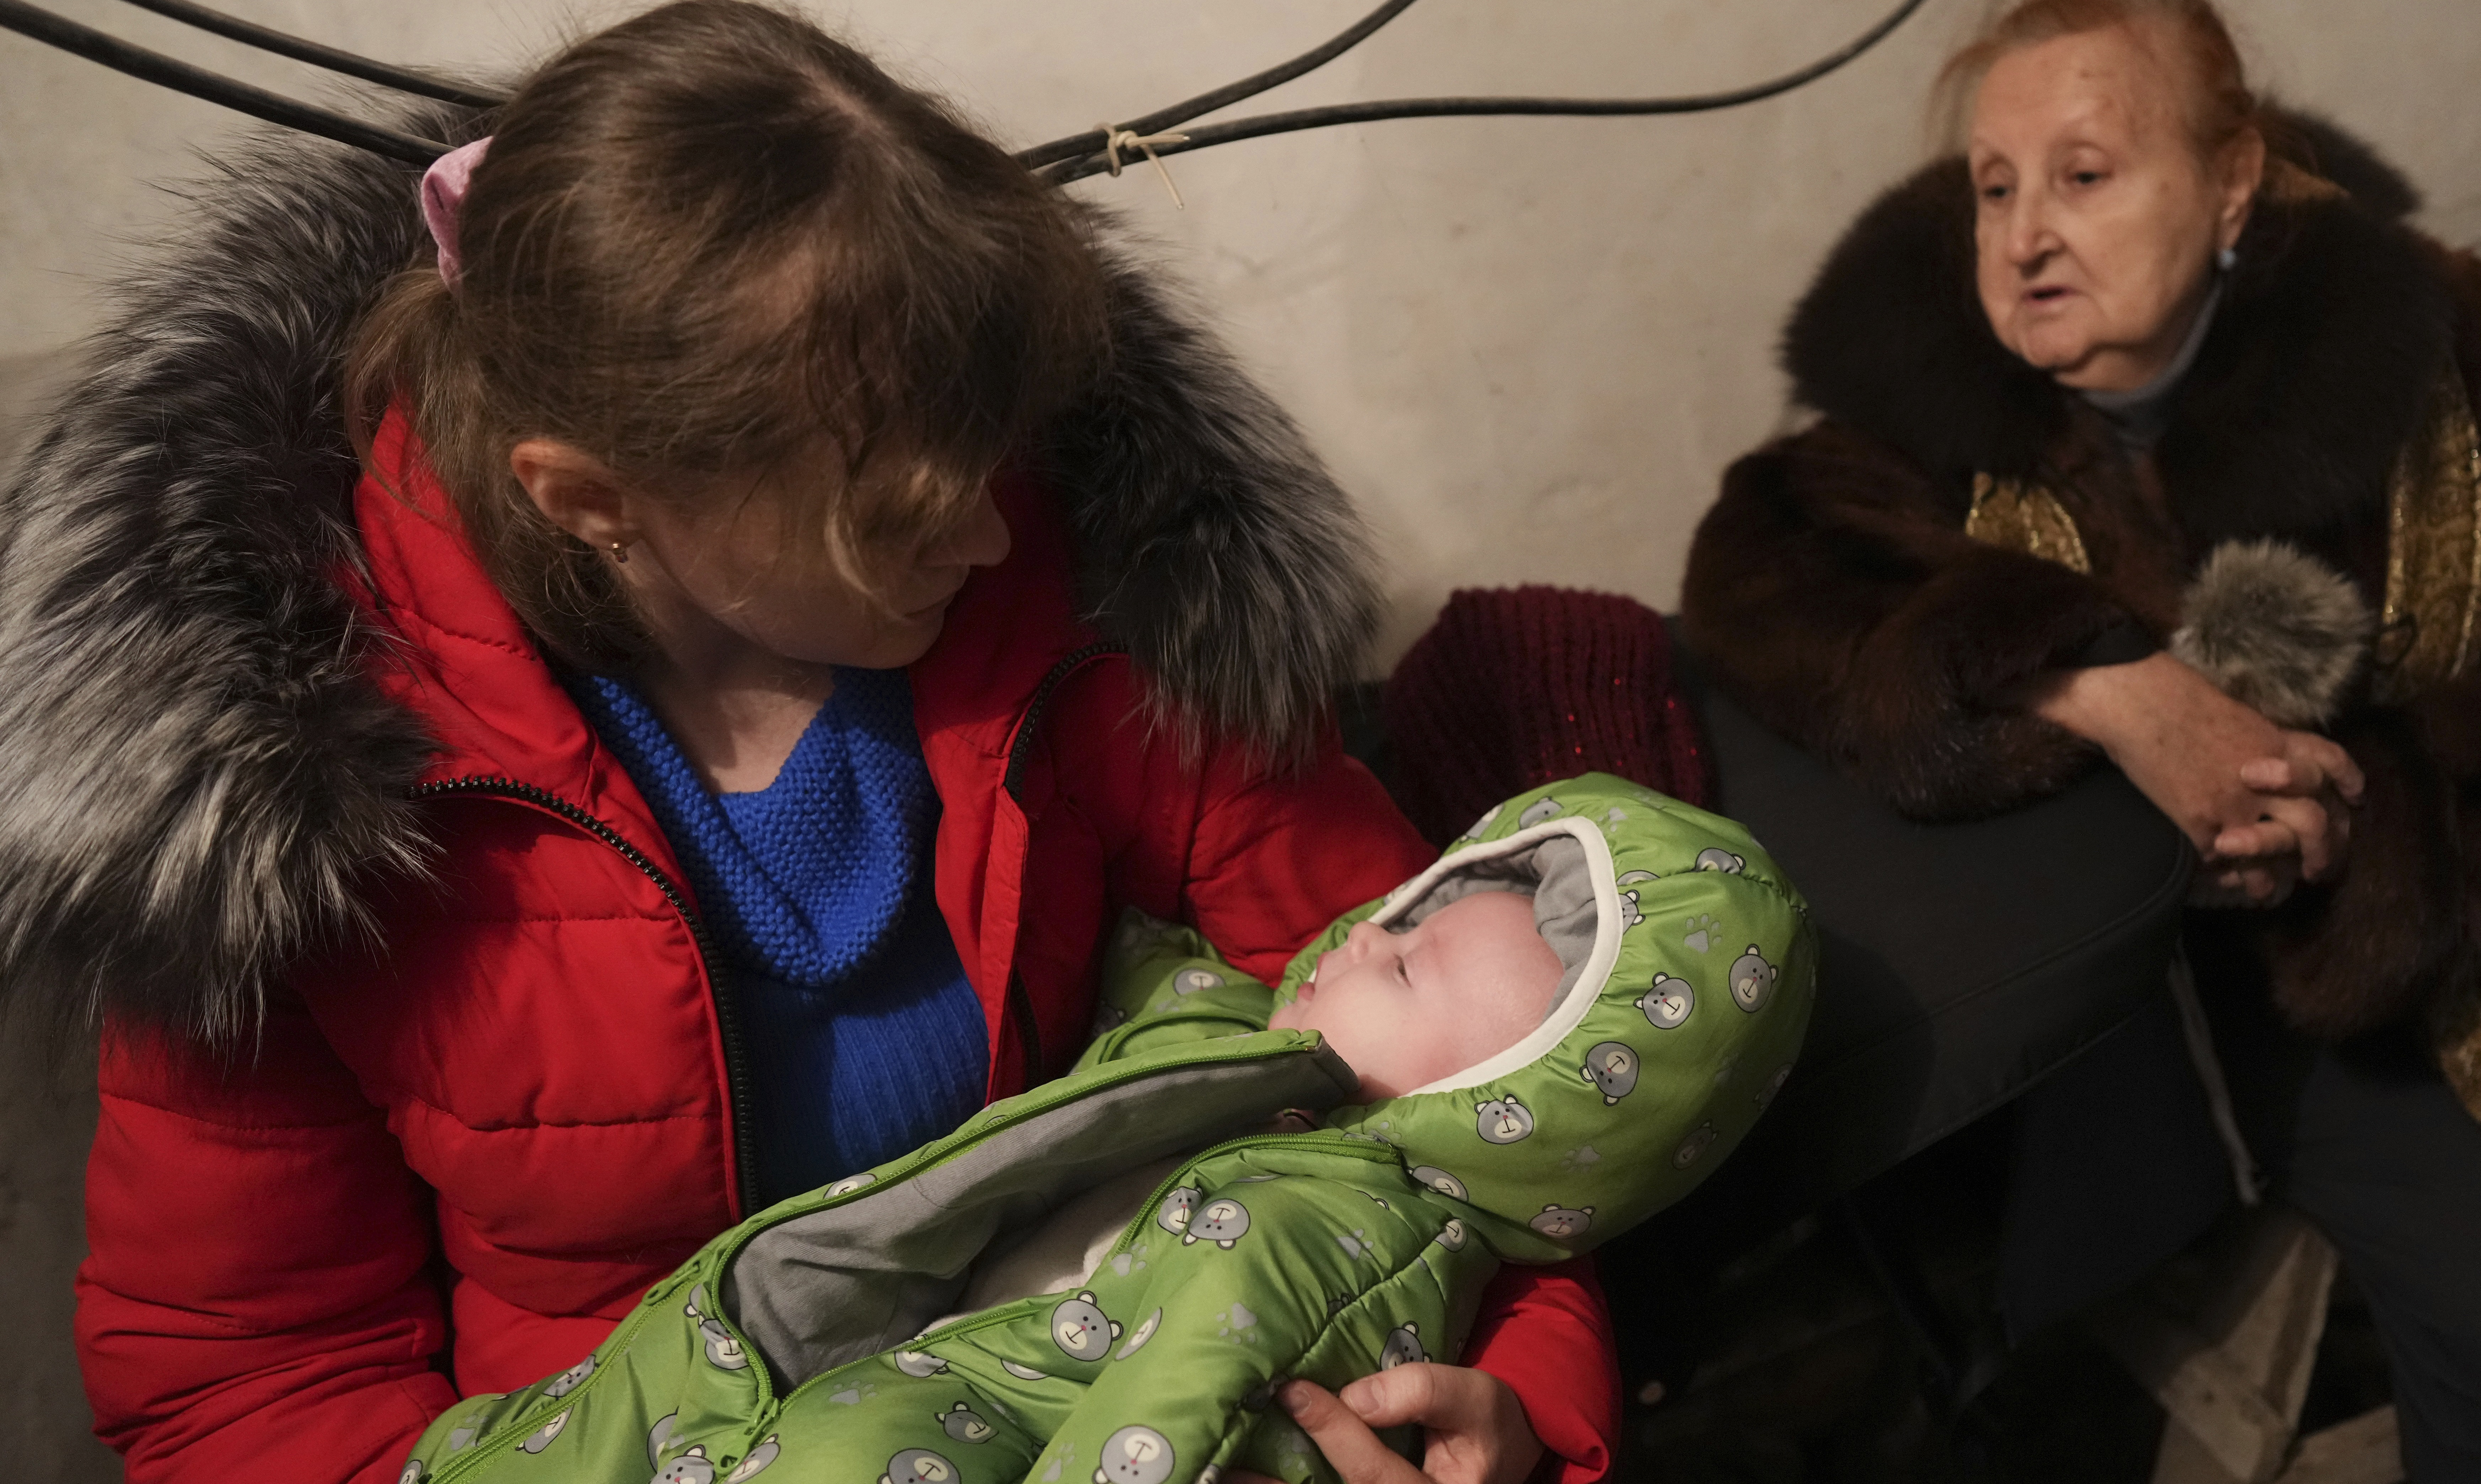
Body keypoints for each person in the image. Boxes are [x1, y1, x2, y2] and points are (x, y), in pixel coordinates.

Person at [0, 5, 1621, 1480]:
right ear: (592, 497)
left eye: (993, 461)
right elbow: (247, 1383)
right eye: (901, 516)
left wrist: (1521, 1400)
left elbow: (1497, 1080)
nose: (993, 538)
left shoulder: (1096, 606)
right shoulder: (273, 807)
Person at [1679, 0, 2481, 1476]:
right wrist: (2098, 686)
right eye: (1996, 187)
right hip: (2232, 1007)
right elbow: (1765, 583)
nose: (2024, 237)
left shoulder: (2469, 362)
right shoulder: (1931, 416)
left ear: (2234, 181)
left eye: (2085, 174)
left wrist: (2386, 818)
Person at [390, 778, 1813, 1484]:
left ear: (1503, 1101)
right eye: (1398, 919)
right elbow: (1162, 966)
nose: (1367, 931)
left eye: (1408, 962)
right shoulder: (1226, 1021)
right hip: (726, 1350)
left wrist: (1538, 1418)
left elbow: (1182, 1421)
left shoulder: (1334, 1223)